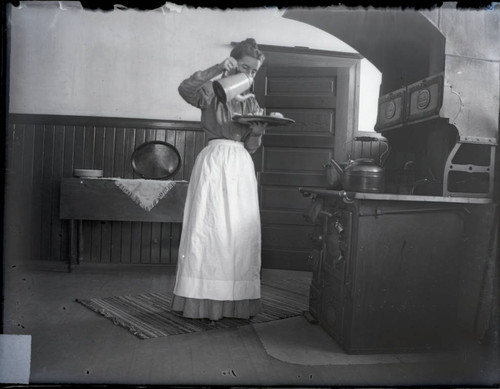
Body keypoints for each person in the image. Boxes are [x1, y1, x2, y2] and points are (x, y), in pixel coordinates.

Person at [171, 38, 267, 320]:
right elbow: (185, 89)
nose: (249, 75)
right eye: (245, 67)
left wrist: (258, 132)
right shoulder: (211, 94)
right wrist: (216, 68)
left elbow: (250, 147)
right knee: (208, 230)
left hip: (240, 166)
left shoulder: (252, 103)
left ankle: (236, 303)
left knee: (238, 233)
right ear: (233, 63)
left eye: (254, 72)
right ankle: (201, 303)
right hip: (213, 163)